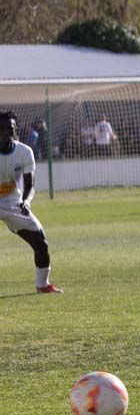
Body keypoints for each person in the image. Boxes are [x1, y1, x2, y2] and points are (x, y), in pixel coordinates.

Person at [0, 112, 62, 293]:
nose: (5, 132)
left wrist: (26, 202)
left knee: (41, 243)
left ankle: (42, 285)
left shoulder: (25, 152)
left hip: (13, 203)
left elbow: (30, 185)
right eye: (1, 129)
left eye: (9, 129)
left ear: (15, 130)